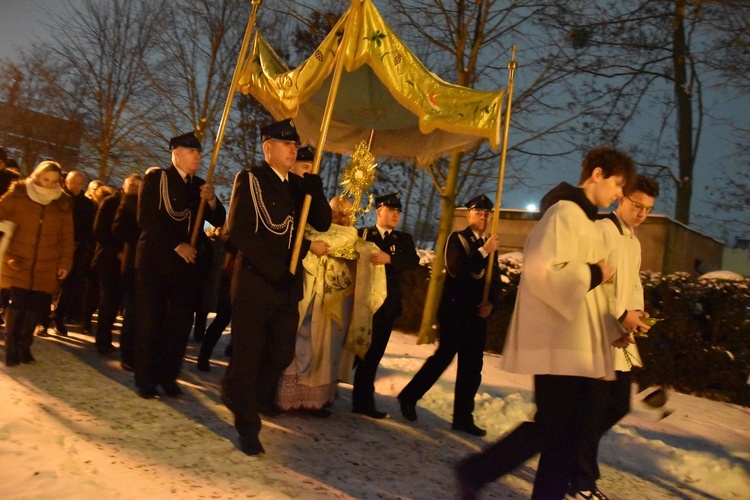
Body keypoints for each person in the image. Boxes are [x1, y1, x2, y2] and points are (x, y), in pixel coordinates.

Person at [456, 146, 640, 500]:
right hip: (560, 344)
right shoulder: (564, 214)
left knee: (563, 434)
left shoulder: (586, 222)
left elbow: (594, 294)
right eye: (617, 184)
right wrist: (594, 272)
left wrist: (614, 327)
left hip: (579, 347)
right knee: (557, 431)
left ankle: (480, 473)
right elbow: (542, 271)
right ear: (597, 174)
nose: (619, 194)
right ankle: (476, 471)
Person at [222, 118, 331, 456]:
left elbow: (323, 222)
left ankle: (241, 394)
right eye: (286, 144)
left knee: (282, 353)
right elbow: (239, 232)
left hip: (285, 289)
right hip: (257, 283)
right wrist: (275, 269)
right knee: (248, 355)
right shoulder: (251, 179)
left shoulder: (298, 186)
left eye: (295, 145)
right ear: (267, 148)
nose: (292, 150)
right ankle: (247, 425)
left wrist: (315, 187)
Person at [567, 175, 660, 499]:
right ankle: (580, 479)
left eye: (648, 209)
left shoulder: (632, 241)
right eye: (637, 205)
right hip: (597, 332)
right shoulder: (603, 231)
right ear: (621, 198)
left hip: (620, 335)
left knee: (617, 405)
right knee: (593, 411)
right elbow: (596, 283)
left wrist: (636, 315)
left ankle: (570, 451)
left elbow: (633, 285)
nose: (642, 214)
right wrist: (618, 318)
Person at [398, 194, 501, 436]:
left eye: (486, 214)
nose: (483, 218)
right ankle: (409, 397)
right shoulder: (457, 240)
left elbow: (494, 282)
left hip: (477, 316)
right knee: (442, 358)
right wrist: (484, 251)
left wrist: (492, 305)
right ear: (468, 216)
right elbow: (458, 269)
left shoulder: (491, 244)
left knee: (472, 368)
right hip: (456, 313)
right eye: (478, 214)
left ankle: (463, 417)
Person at [134, 131, 225, 399]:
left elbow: (219, 218)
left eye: (198, 152)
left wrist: (210, 199)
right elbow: (147, 219)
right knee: (151, 324)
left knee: (179, 326)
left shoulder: (200, 185)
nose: (197, 156)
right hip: (155, 263)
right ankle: (145, 379)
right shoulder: (156, 179)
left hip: (186, 270)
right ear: (175, 153)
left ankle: (168, 377)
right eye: (191, 151)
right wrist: (177, 244)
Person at [352, 192, 419, 419]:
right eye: (391, 210)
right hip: (361, 303)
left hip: (386, 306)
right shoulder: (362, 234)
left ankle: (363, 402)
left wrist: (390, 259)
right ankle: (326, 390)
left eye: (398, 211)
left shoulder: (403, 240)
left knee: (372, 357)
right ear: (379, 211)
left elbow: (413, 261)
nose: (396, 215)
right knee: (350, 351)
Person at [0, 160, 74, 366]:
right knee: (17, 304)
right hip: (17, 260)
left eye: (53, 181)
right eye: (45, 179)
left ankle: (25, 345)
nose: (49, 185)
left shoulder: (62, 202)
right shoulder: (18, 193)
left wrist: (65, 263)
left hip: (47, 264)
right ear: (36, 176)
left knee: (36, 307)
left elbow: (67, 237)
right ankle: (11, 347)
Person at [53, 170, 96, 336]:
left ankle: (58, 315)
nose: (76, 186)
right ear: (66, 182)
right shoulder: (58, 199)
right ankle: (44, 318)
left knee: (70, 285)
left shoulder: (87, 205)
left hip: (77, 248)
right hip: (56, 245)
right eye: (73, 182)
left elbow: (90, 228)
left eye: (79, 183)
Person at [111, 173, 142, 372]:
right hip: (132, 262)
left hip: (148, 265)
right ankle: (127, 353)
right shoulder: (129, 202)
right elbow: (117, 228)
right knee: (132, 311)